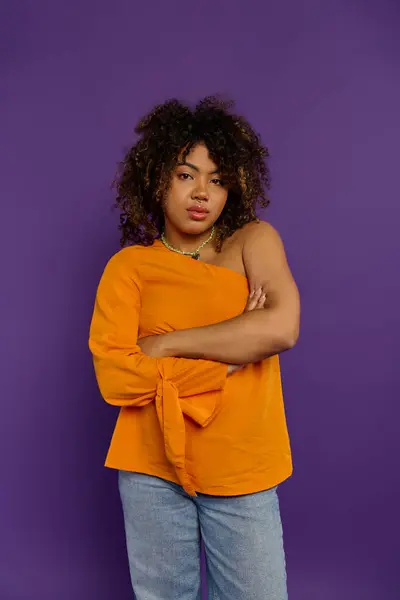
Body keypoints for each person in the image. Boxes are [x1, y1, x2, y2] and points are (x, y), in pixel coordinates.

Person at [89, 96, 300, 600]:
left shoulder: (254, 241)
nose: (202, 192)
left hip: (242, 460)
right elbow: (116, 376)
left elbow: (282, 328)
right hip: (150, 466)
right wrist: (228, 352)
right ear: (157, 177)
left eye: (218, 178)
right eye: (186, 175)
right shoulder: (129, 267)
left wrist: (163, 345)